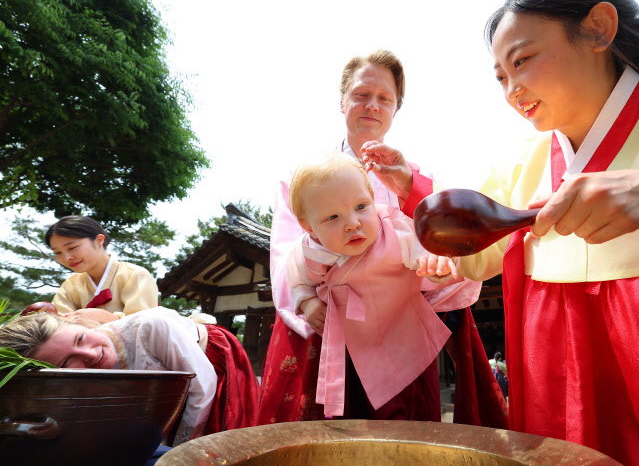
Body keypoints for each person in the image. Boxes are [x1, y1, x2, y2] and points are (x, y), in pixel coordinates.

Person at [368, 0, 639, 466]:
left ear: (598, 28)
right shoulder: (525, 160)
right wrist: (413, 190)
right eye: (500, 77)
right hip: (552, 380)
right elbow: (477, 241)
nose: (512, 90)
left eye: (522, 61)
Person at [260, 49, 506, 427]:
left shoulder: (413, 177)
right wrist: (310, 304)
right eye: (361, 95)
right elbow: (287, 262)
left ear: (395, 109)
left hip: (397, 332)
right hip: (325, 331)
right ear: (342, 100)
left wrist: (437, 269)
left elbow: (442, 248)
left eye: (384, 99)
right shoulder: (300, 179)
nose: (372, 106)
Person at [285, 151, 478, 419]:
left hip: (405, 339)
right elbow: (297, 281)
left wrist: (435, 266)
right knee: (360, 417)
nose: (352, 223)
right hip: (353, 349)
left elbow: (423, 255)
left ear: (373, 200)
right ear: (309, 228)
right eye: (333, 218)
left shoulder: (394, 230)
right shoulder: (305, 251)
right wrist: (308, 301)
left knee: (415, 413)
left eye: (361, 207)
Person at [0, 306, 260, 446]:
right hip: (173, 384)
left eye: (80, 339)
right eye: (68, 361)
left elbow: (203, 388)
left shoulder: (152, 326)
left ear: (79, 324)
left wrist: (177, 448)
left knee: (217, 437)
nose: (89, 354)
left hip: (208, 364)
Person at [46, 216, 158, 316]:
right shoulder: (69, 286)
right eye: (58, 253)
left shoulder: (135, 275)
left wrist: (102, 319)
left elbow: (141, 327)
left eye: (72, 248)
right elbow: (58, 326)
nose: (66, 258)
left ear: (99, 240)